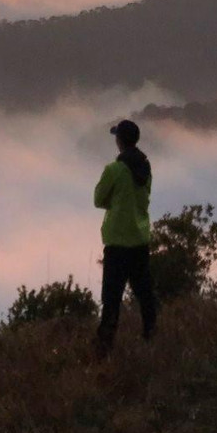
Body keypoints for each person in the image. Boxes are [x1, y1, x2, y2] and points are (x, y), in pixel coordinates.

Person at [93, 118, 157, 354]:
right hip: (140, 239)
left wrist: (114, 201)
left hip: (118, 242)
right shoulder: (146, 168)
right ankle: (151, 334)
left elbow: (98, 199)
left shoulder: (114, 170)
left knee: (111, 298)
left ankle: (104, 346)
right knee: (144, 293)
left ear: (120, 141)